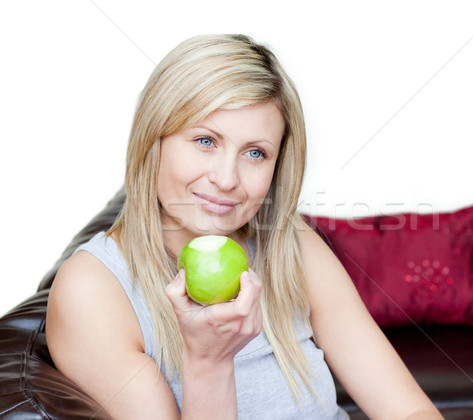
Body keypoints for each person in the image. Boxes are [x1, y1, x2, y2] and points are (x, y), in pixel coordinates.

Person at [46, 34, 443, 420]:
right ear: (155, 139)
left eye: (255, 153)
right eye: (205, 141)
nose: (227, 179)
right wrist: (209, 361)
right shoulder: (94, 289)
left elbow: (408, 409)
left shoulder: (292, 247)